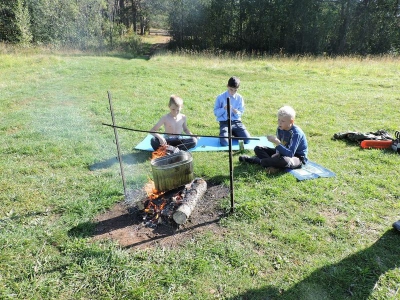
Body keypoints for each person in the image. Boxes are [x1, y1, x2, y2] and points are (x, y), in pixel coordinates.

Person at [239, 105, 308, 174]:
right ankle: (273, 165)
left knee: (285, 161)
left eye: (283, 121)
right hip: (282, 153)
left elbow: (290, 154)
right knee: (258, 148)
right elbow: (279, 147)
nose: (279, 123)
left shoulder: (296, 133)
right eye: (278, 120)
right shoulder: (279, 128)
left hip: (296, 157)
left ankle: (254, 160)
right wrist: (277, 153)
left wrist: (277, 143)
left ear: (291, 121)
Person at [213, 76, 251, 146]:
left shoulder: (239, 98)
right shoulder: (220, 97)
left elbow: (241, 111)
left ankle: (233, 132)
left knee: (248, 140)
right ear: (227, 86)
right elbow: (216, 113)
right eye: (231, 89)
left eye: (235, 90)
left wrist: (237, 112)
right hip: (224, 122)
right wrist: (223, 109)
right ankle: (225, 133)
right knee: (224, 143)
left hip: (236, 122)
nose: (233, 92)